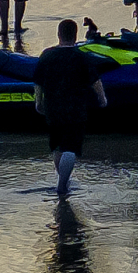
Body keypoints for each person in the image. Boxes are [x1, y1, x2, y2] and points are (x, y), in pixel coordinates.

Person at [32, 20, 109, 197]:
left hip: (53, 109)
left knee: (58, 146)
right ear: (75, 36)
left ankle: (63, 181)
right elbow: (95, 81)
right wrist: (102, 98)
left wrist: (38, 102)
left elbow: (38, 83)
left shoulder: (47, 56)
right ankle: (62, 185)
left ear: (58, 34)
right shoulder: (81, 57)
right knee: (70, 148)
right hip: (75, 109)